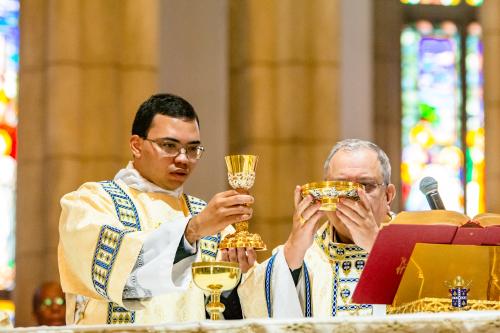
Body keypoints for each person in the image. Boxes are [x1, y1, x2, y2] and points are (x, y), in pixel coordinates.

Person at [58, 93, 254, 324]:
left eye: (193, 149)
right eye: (169, 146)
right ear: (137, 145)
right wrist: (191, 231)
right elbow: (121, 275)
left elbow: (242, 306)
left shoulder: (210, 220)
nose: (183, 159)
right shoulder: (90, 204)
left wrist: (290, 252)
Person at [237, 139, 396, 318]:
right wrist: (293, 248)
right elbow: (255, 304)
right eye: (338, 187)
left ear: (388, 195)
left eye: (365, 186)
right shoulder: (304, 256)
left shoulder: (413, 247)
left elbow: (429, 303)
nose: (352, 199)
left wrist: (378, 248)